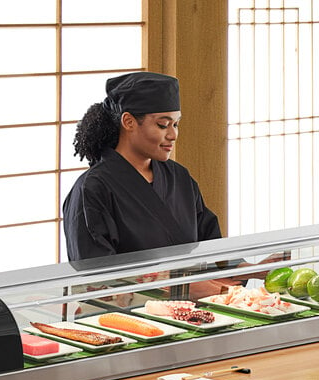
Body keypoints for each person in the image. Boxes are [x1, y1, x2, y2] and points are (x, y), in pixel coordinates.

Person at [63, 71, 222, 262]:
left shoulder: (179, 176)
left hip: (197, 292)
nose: (173, 135)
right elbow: (97, 279)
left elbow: (210, 243)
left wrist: (244, 267)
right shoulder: (91, 189)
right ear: (129, 122)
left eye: (176, 124)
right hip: (146, 293)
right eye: (163, 125)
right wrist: (186, 287)